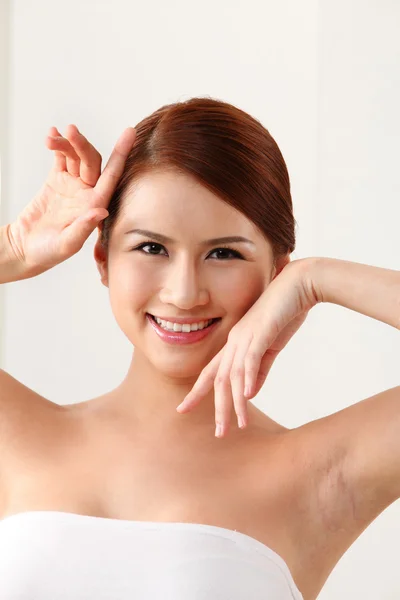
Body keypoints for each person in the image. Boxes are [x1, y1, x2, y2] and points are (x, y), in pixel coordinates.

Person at [0, 97, 399, 600]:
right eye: (151, 248)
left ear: (275, 274)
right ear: (102, 258)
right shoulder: (15, 436)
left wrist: (318, 279)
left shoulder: (321, 471)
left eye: (224, 253)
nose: (184, 292)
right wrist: (11, 249)